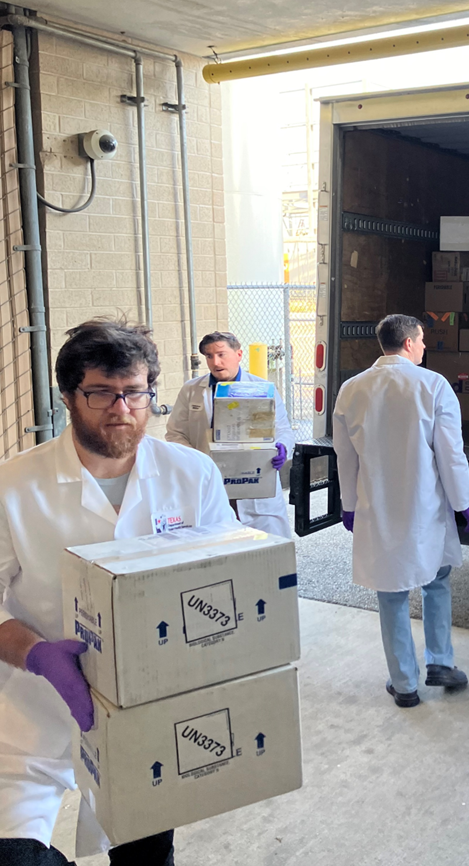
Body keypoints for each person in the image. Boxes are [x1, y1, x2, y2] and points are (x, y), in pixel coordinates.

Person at [0, 319, 239, 864]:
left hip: (148, 709)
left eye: (134, 392)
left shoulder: (191, 473)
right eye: (101, 393)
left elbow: (225, 576)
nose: (122, 408)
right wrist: (35, 654)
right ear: (68, 396)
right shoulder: (13, 484)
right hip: (36, 709)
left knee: (145, 854)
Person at [333, 314, 469, 708]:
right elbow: (450, 453)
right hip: (425, 504)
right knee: (437, 579)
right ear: (412, 342)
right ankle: (441, 662)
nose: (425, 347)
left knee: (391, 592)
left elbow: (344, 457)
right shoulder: (432, 385)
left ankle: (404, 684)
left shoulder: (351, 389)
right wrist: (463, 502)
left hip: (376, 505)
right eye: (423, 341)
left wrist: (348, 505)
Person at [164, 331, 299, 538]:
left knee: (266, 553)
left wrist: (281, 447)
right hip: (211, 480)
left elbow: (282, 429)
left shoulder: (262, 388)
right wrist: (200, 460)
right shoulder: (191, 390)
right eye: (209, 356)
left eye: (221, 354)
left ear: (239, 354)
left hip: (254, 482)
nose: (215, 362)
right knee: (219, 550)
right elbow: (175, 434)